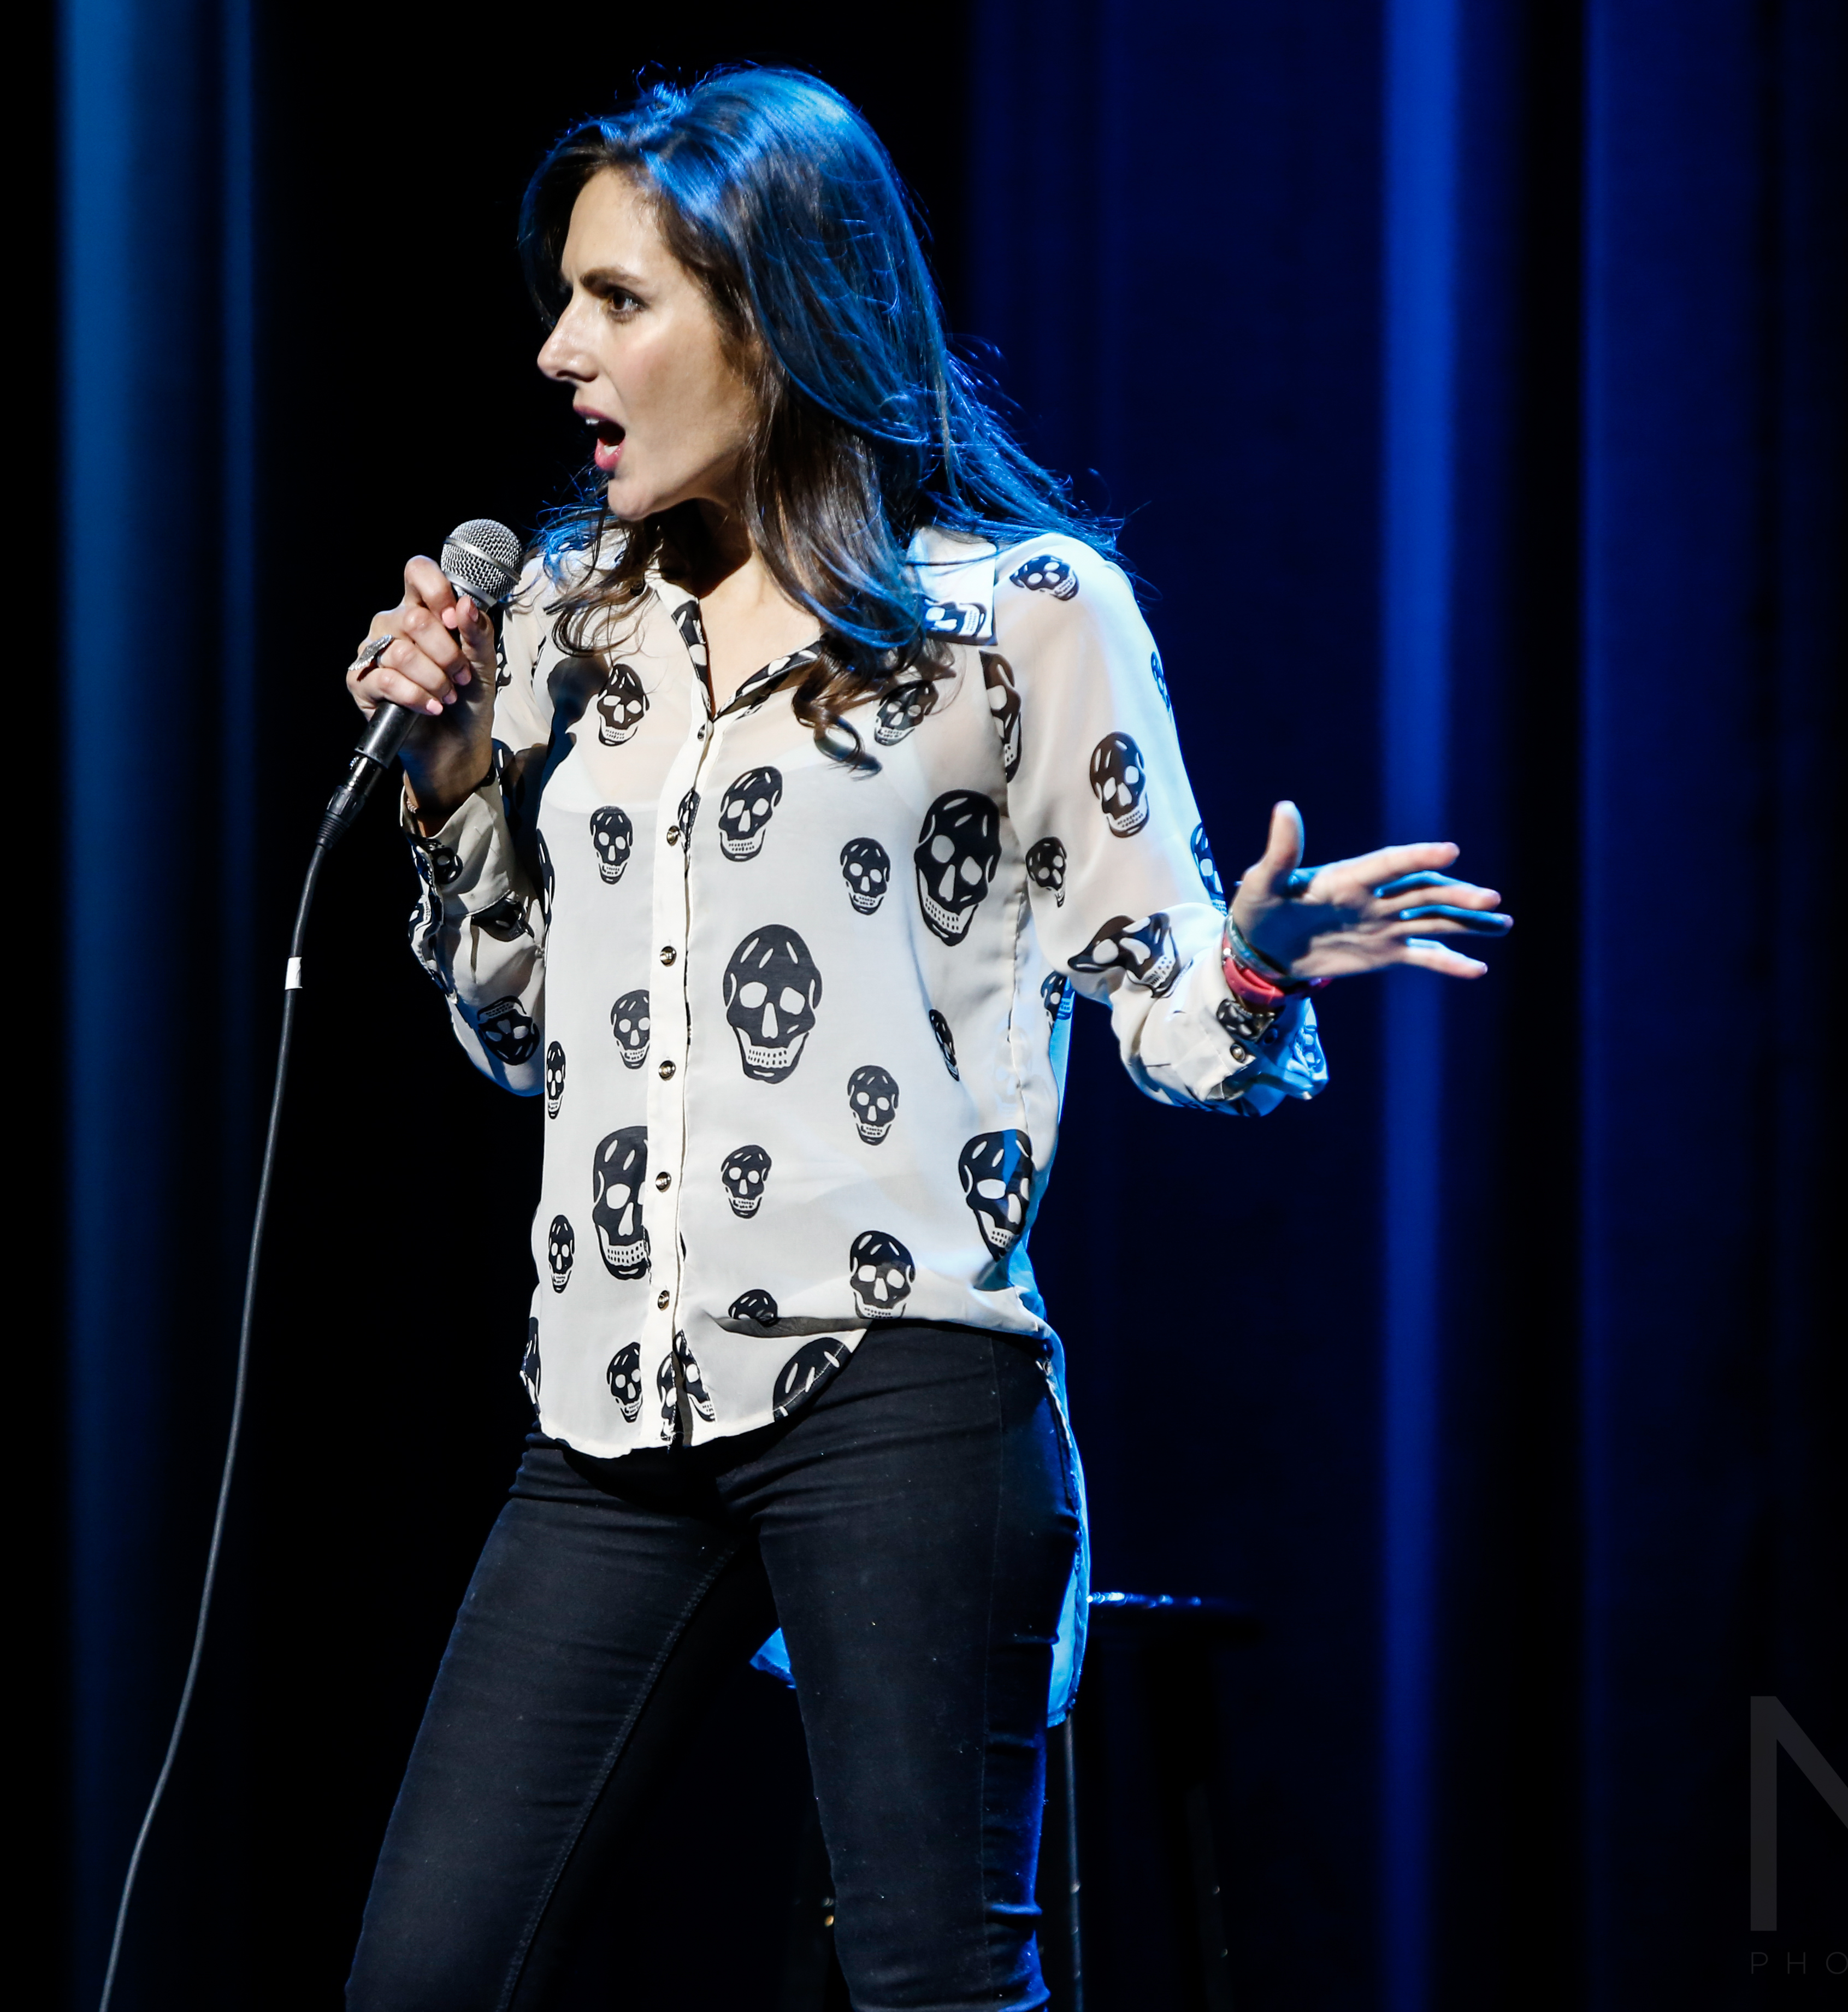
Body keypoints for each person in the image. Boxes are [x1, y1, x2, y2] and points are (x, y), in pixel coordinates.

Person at [337, 68, 1508, 2012]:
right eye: (566, 301)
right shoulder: (568, 620)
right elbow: (523, 1035)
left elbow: (1167, 1020)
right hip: (609, 1413)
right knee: (424, 1975)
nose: (559, 351)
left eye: (618, 300)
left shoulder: (1020, 619)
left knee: (927, 1976)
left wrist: (1252, 960)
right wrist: (456, 788)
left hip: (899, 1392)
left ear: (772, 305)